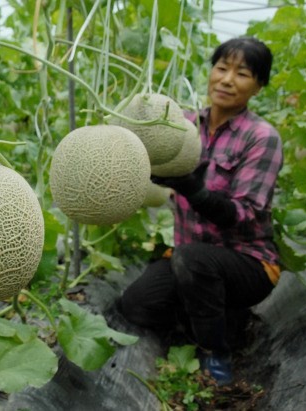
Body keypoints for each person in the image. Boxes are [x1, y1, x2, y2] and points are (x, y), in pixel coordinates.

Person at [118, 37, 283, 386]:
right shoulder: (182, 125)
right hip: (190, 260)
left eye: (242, 73)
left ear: (259, 85)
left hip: (247, 263)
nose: (226, 80)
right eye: (221, 68)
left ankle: (217, 350)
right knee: (135, 305)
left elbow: (244, 214)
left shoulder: (261, 137)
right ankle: (215, 317)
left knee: (194, 259)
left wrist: (193, 188)